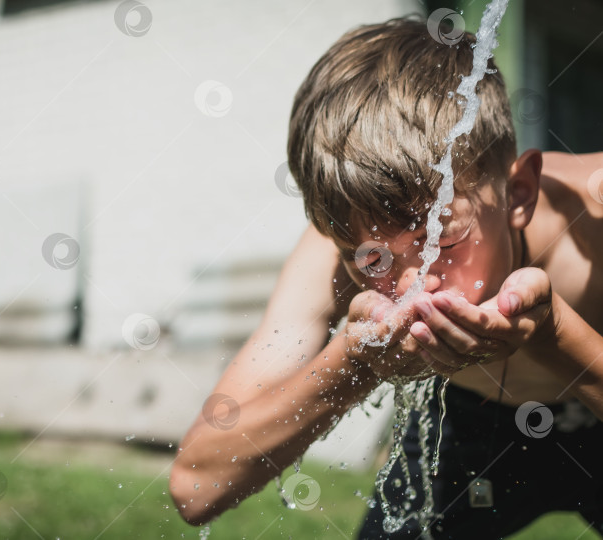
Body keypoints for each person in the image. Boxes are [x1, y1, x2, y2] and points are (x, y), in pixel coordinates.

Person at [168, 15, 603, 538]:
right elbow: (197, 485)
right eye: (370, 260)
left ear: (520, 194)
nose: (409, 288)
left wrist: (555, 334)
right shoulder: (332, 252)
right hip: (465, 422)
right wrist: (355, 360)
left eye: (442, 240)